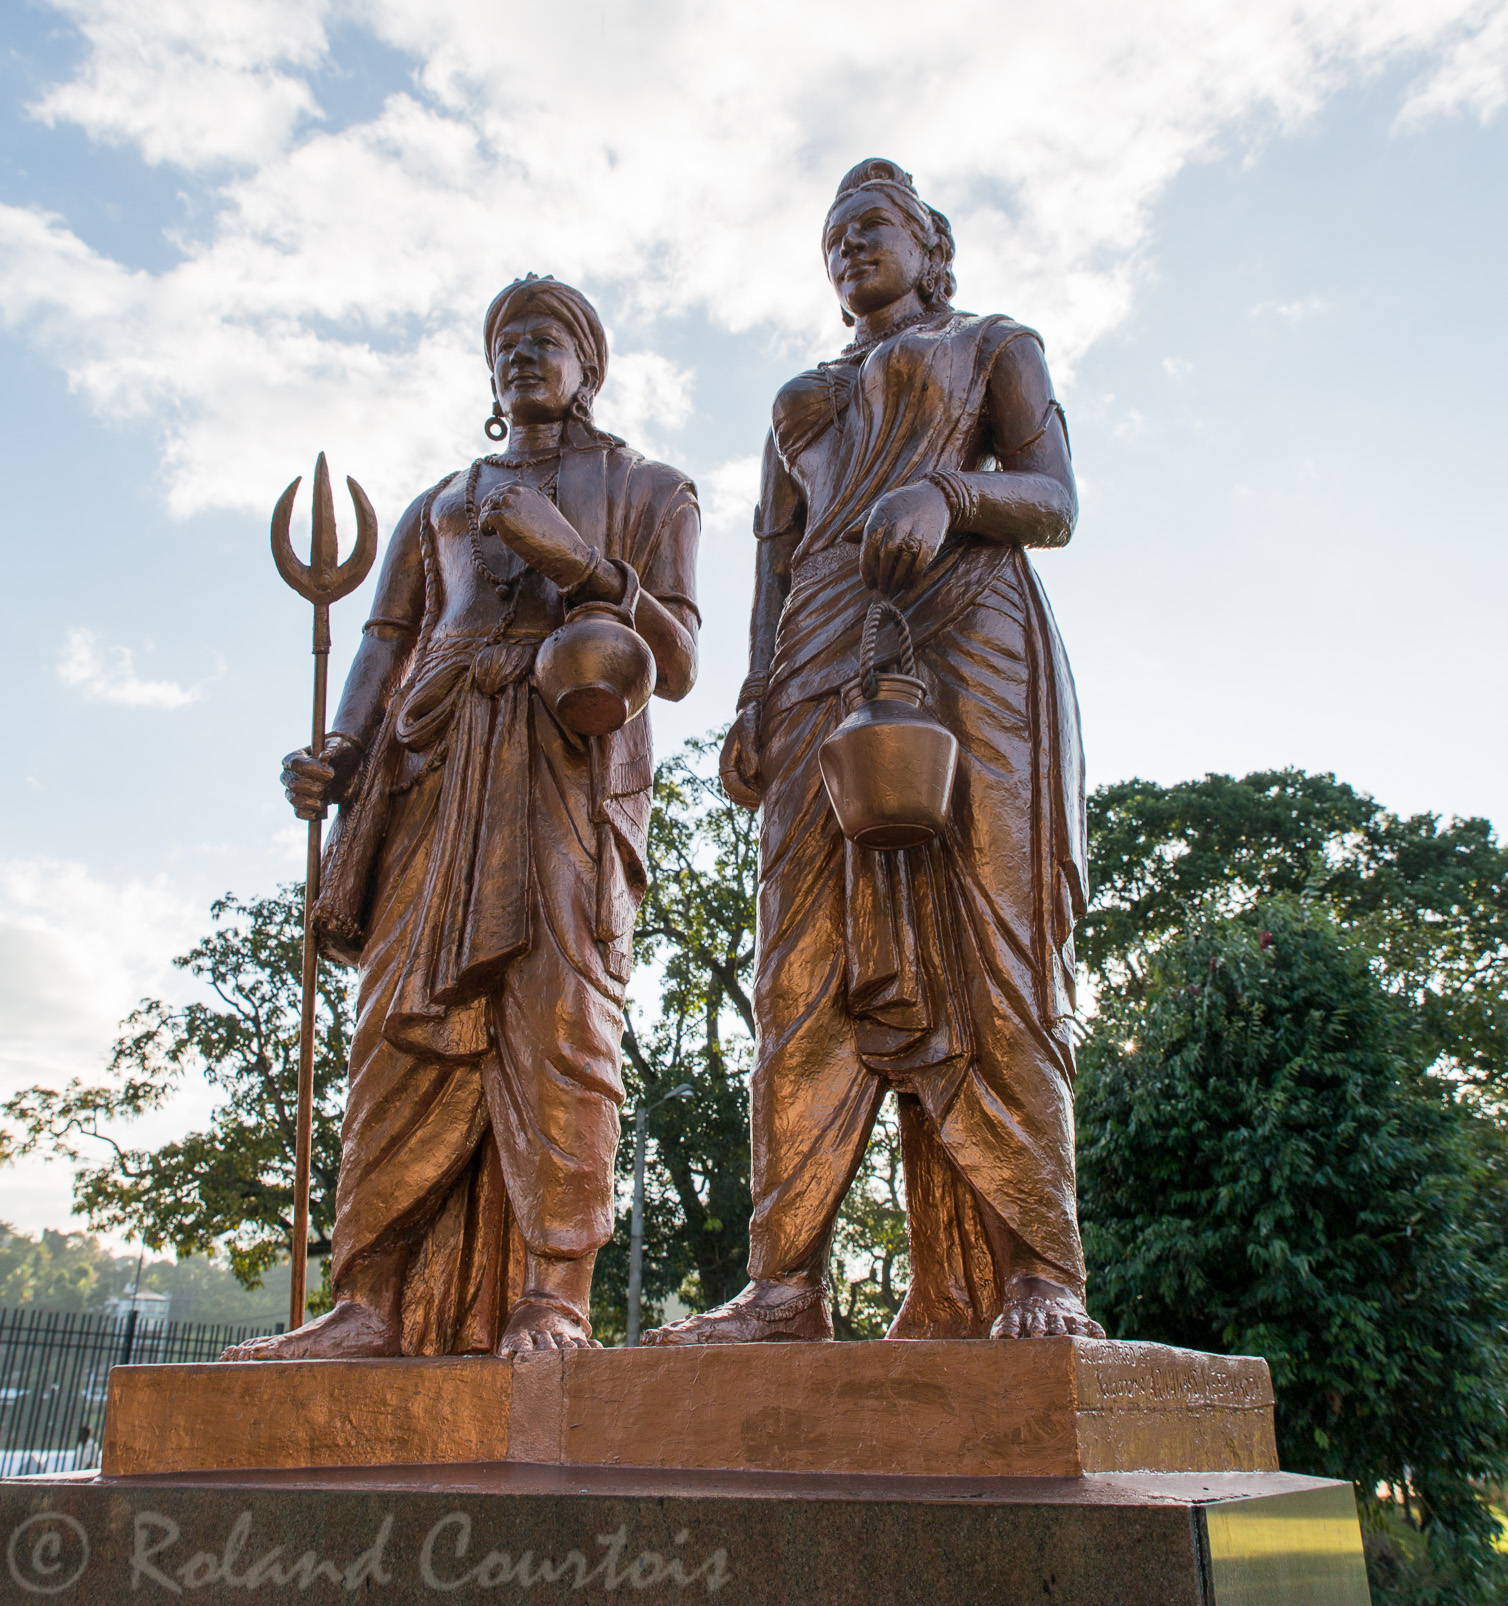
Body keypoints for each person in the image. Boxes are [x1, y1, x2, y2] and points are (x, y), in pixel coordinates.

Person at [647, 161, 1102, 1346]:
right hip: (813, 656)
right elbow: (769, 561)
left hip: (966, 634)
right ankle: (782, 1283)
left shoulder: (994, 343)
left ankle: (1034, 1267)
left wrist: (950, 494)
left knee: (984, 939)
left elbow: (1053, 497)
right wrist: (753, 696)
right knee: (801, 961)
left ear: (926, 242)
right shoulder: (797, 395)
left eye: (872, 225)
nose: (849, 246)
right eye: (831, 235)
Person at [226, 276, 700, 1359]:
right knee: (395, 1022)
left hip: (563, 770)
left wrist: (570, 557)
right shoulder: (439, 501)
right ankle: (367, 1298)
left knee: (559, 1018)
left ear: (588, 365)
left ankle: (552, 1293)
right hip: (431, 770)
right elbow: (386, 640)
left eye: (543, 341)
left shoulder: (651, 489)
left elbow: (673, 660)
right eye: (502, 346)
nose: (519, 358)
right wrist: (341, 754)